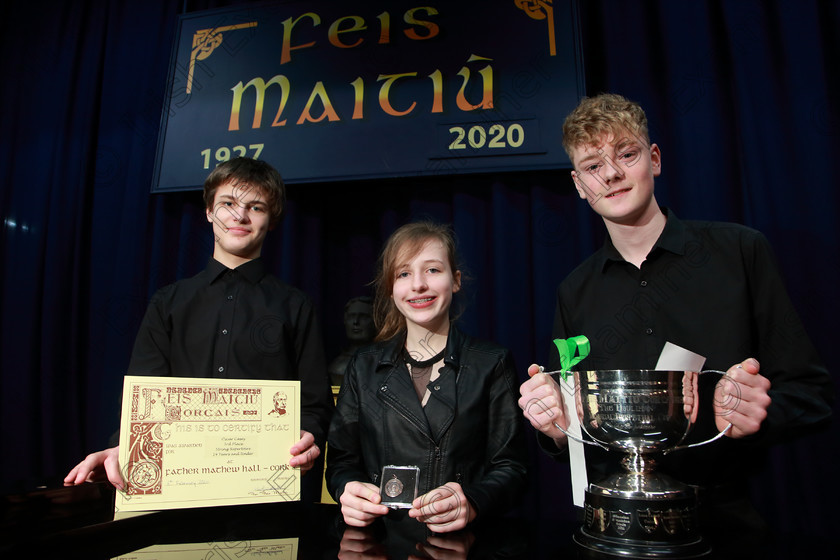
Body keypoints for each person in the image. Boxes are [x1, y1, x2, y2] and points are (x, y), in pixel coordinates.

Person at [518, 93, 833, 550]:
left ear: (654, 159)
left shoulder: (740, 252)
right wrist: (554, 426)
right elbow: (575, 430)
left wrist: (761, 413)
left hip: (725, 525)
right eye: (592, 166)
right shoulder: (575, 289)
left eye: (625, 154)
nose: (610, 174)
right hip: (615, 530)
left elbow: (811, 394)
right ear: (579, 185)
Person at [65, 157, 334, 490]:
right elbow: (144, 396)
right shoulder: (168, 302)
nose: (239, 215)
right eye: (228, 204)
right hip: (173, 489)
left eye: (256, 207)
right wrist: (124, 446)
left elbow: (314, 405)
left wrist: (308, 437)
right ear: (209, 212)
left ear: (272, 220)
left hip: (262, 492)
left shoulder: (296, 306)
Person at [327, 222, 528, 533]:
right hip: (378, 544)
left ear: (456, 280)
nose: (418, 285)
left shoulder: (492, 363)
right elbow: (341, 462)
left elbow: (512, 469)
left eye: (432, 270)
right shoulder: (362, 366)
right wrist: (345, 489)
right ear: (391, 288)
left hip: (458, 544)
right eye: (404, 274)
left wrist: (472, 502)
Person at [327, 296, 376, 386]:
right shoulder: (338, 365)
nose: (356, 322)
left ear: (375, 321)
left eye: (363, 317)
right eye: (351, 316)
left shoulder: (383, 362)